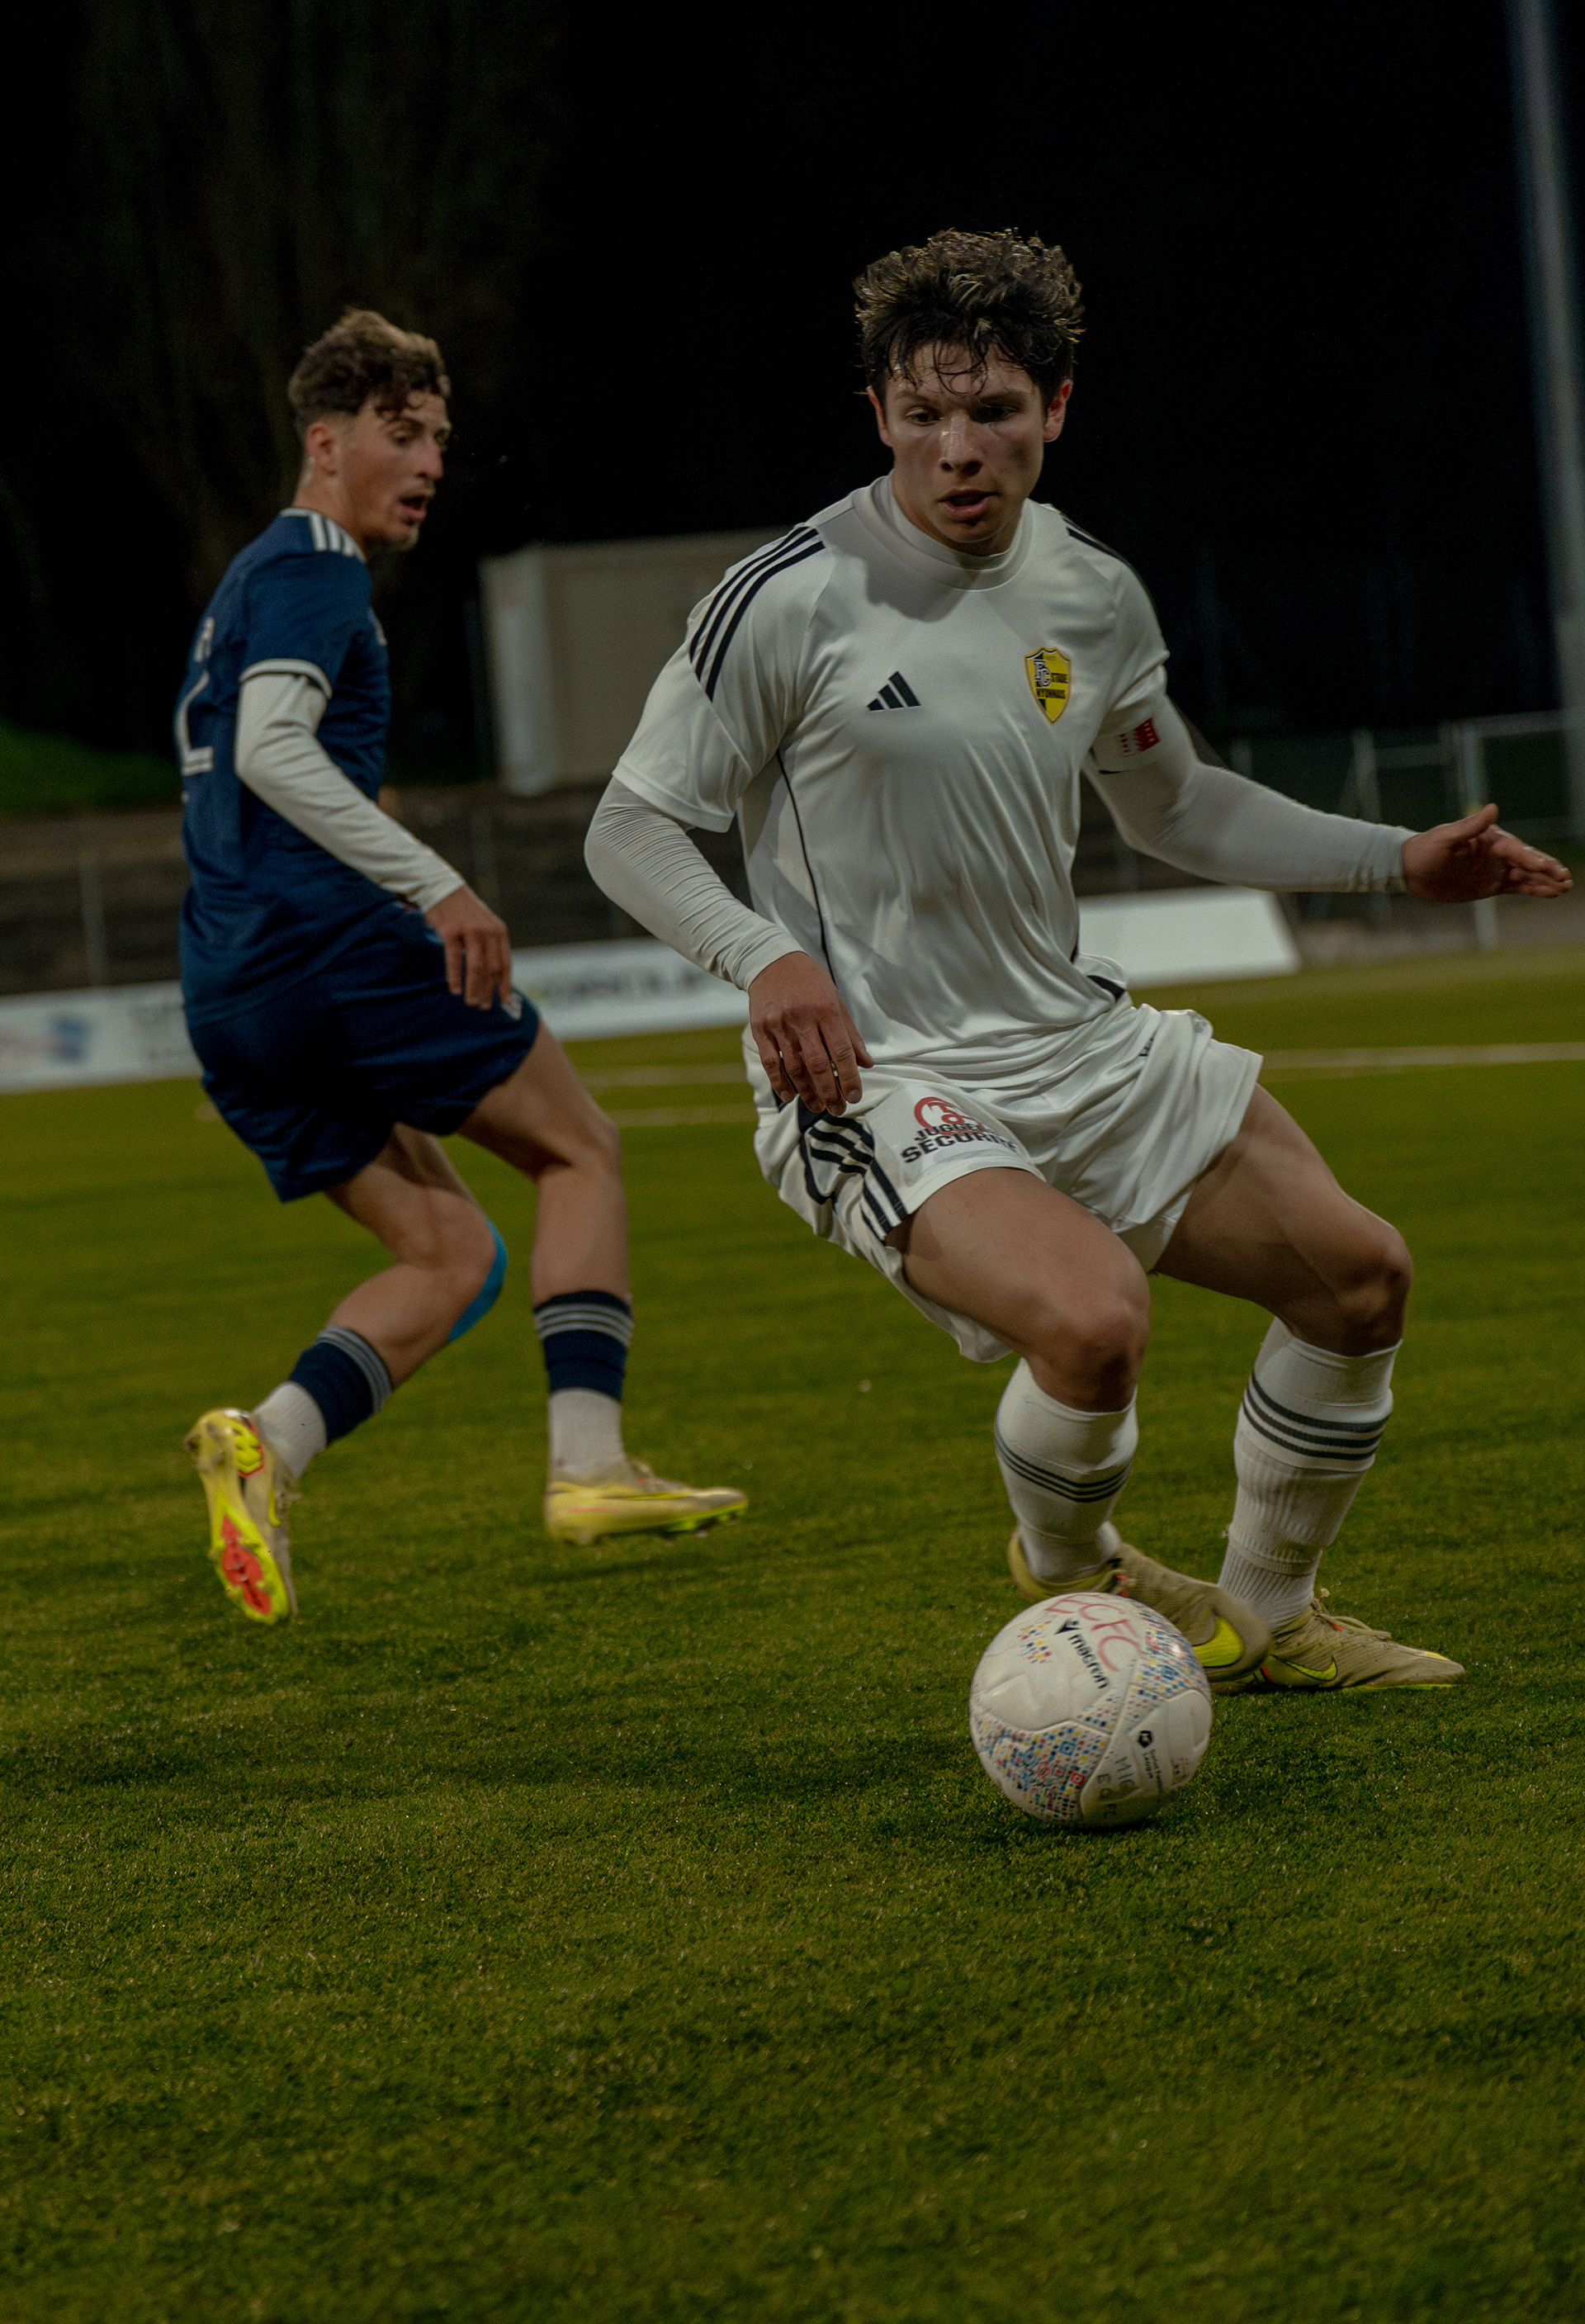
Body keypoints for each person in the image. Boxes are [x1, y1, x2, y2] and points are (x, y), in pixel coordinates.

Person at [584, 229, 1570, 1693]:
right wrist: (764, 957)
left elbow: (1177, 804)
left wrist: (1398, 857)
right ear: (878, 416)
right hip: (880, 1071)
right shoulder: (787, 595)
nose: (957, 447)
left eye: (992, 410)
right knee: (1096, 1320)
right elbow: (630, 825)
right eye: (922, 413)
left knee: (1362, 1279)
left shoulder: (1093, 591)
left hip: (1076, 1041)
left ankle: (1272, 1617)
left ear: (1055, 405)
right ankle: (1071, 1574)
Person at [175, 309, 745, 1625]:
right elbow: (272, 749)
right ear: (326, 443)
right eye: (401, 433)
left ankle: (267, 1446)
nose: (430, 462)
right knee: (580, 1151)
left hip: (230, 989)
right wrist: (434, 882)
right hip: (328, 950)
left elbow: (243, 762)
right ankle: (590, 1467)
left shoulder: (244, 587)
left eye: (438, 437)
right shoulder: (316, 564)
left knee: (448, 1251)